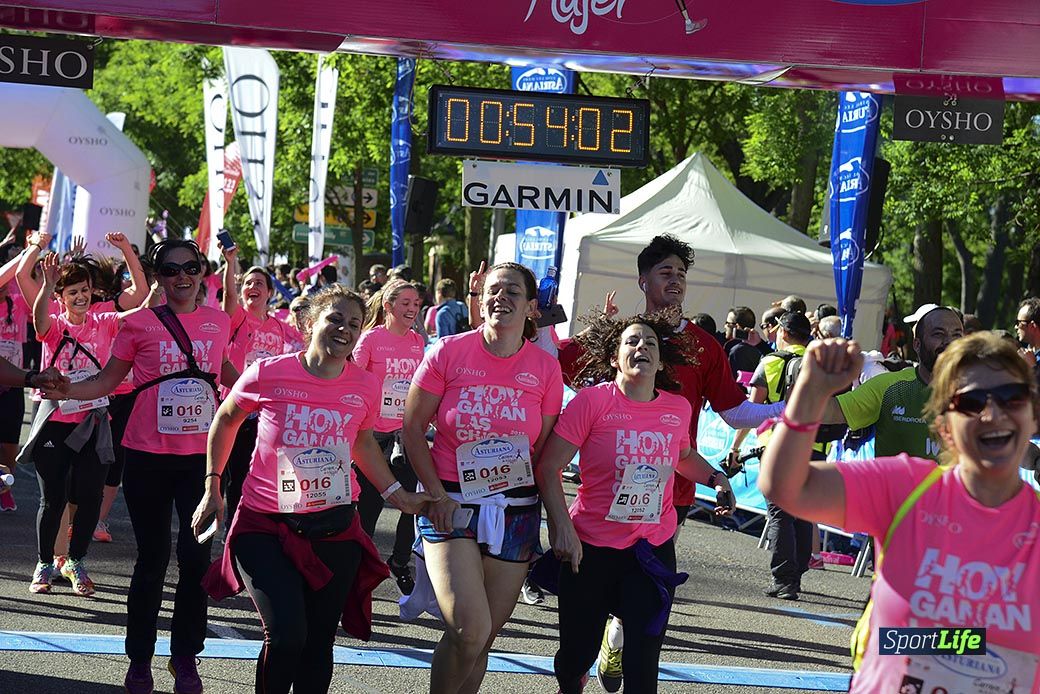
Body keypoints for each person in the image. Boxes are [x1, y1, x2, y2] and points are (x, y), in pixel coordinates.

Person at [555, 235, 785, 691]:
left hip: (666, 502)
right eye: (665, 272)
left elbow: (732, 411)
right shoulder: (621, 338)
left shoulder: (702, 346)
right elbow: (552, 363)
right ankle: (595, 649)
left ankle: (619, 643)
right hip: (596, 520)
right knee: (581, 637)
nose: (675, 280)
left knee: (646, 625)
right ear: (643, 280)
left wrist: (784, 412)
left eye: (681, 273)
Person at [759, 332, 1040, 693]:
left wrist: (963, 645)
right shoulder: (907, 486)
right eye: (971, 402)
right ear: (944, 429)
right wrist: (811, 393)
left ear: (1032, 416)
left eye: (1011, 397)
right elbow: (786, 485)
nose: (993, 413)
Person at [195, 284, 429, 694]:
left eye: (354, 324)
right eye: (335, 319)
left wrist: (399, 497)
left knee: (319, 643)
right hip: (265, 526)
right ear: (309, 323)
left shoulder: (365, 386)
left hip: (334, 527)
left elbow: (360, 443)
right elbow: (226, 420)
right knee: (287, 635)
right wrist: (213, 486)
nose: (344, 329)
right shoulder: (269, 372)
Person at [44, 238, 239, 694]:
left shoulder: (218, 321)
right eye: (171, 271)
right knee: (151, 561)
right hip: (149, 456)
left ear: (201, 271)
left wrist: (274, 388)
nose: (182, 277)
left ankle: (186, 658)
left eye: (190, 267)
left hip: (203, 461)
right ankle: (140, 659)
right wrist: (62, 388)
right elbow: (109, 379)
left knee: (195, 561)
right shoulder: (137, 324)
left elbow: (225, 371)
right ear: (159, 275)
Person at [537, 310, 734, 694]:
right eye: (632, 341)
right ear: (615, 357)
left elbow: (682, 456)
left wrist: (716, 478)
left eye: (651, 344)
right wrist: (561, 526)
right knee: (576, 654)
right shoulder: (592, 403)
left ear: (661, 362)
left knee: (643, 663)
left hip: (651, 549)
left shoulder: (677, 408)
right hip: (590, 547)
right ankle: (571, 681)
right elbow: (548, 468)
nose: (642, 347)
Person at [400, 261, 564, 694]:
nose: (501, 298)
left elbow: (542, 450)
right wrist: (435, 495)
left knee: (483, 636)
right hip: (451, 505)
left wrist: (561, 521)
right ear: (481, 297)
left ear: (532, 307)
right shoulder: (449, 351)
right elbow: (412, 429)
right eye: (494, 290)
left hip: (517, 512)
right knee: (470, 629)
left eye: (513, 291)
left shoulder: (546, 369)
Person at [16, 232, 143, 596]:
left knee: (88, 497)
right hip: (54, 421)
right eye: (72, 292)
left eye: (85, 290)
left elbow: (140, 301)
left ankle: (75, 560)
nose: (81, 297)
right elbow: (40, 323)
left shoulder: (103, 320)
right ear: (61, 297)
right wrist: (48, 284)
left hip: (94, 422)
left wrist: (126, 252)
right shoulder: (56, 325)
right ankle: (43, 564)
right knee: (52, 499)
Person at [353, 278, 425, 594]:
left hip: (405, 435)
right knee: (368, 509)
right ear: (388, 305)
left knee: (411, 505)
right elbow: (351, 380)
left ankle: (399, 561)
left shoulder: (417, 342)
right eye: (406, 303)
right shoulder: (370, 340)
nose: (412, 309)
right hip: (373, 437)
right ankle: (360, 568)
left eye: (416, 304)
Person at [817, 304, 964, 460]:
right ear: (917, 345)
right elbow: (826, 412)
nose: (950, 342)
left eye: (957, 335)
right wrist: (812, 381)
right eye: (938, 334)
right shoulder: (890, 388)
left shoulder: (978, 390)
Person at [743, 311, 820, 601]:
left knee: (779, 513)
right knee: (800, 510)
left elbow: (753, 410)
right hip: (814, 445)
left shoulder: (771, 362)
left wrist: (737, 447)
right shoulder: (817, 362)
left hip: (777, 445)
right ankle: (796, 572)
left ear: (784, 333)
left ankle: (784, 579)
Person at [219, 246, 293, 523]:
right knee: (230, 474)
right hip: (235, 406)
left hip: (264, 411)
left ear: (270, 293)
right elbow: (228, 295)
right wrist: (231, 262)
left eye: (259, 284)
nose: (253, 287)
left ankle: (244, 525)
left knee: (253, 472)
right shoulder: (238, 317)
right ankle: (227, 526)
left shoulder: (279, 326)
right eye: (248, 283)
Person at [1016, 297, 1040, 387]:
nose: (1016, 327)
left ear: (1032, 326)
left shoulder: (1031, 361)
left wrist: (1033, 368)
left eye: (1019, 322)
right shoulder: (1024, 354)